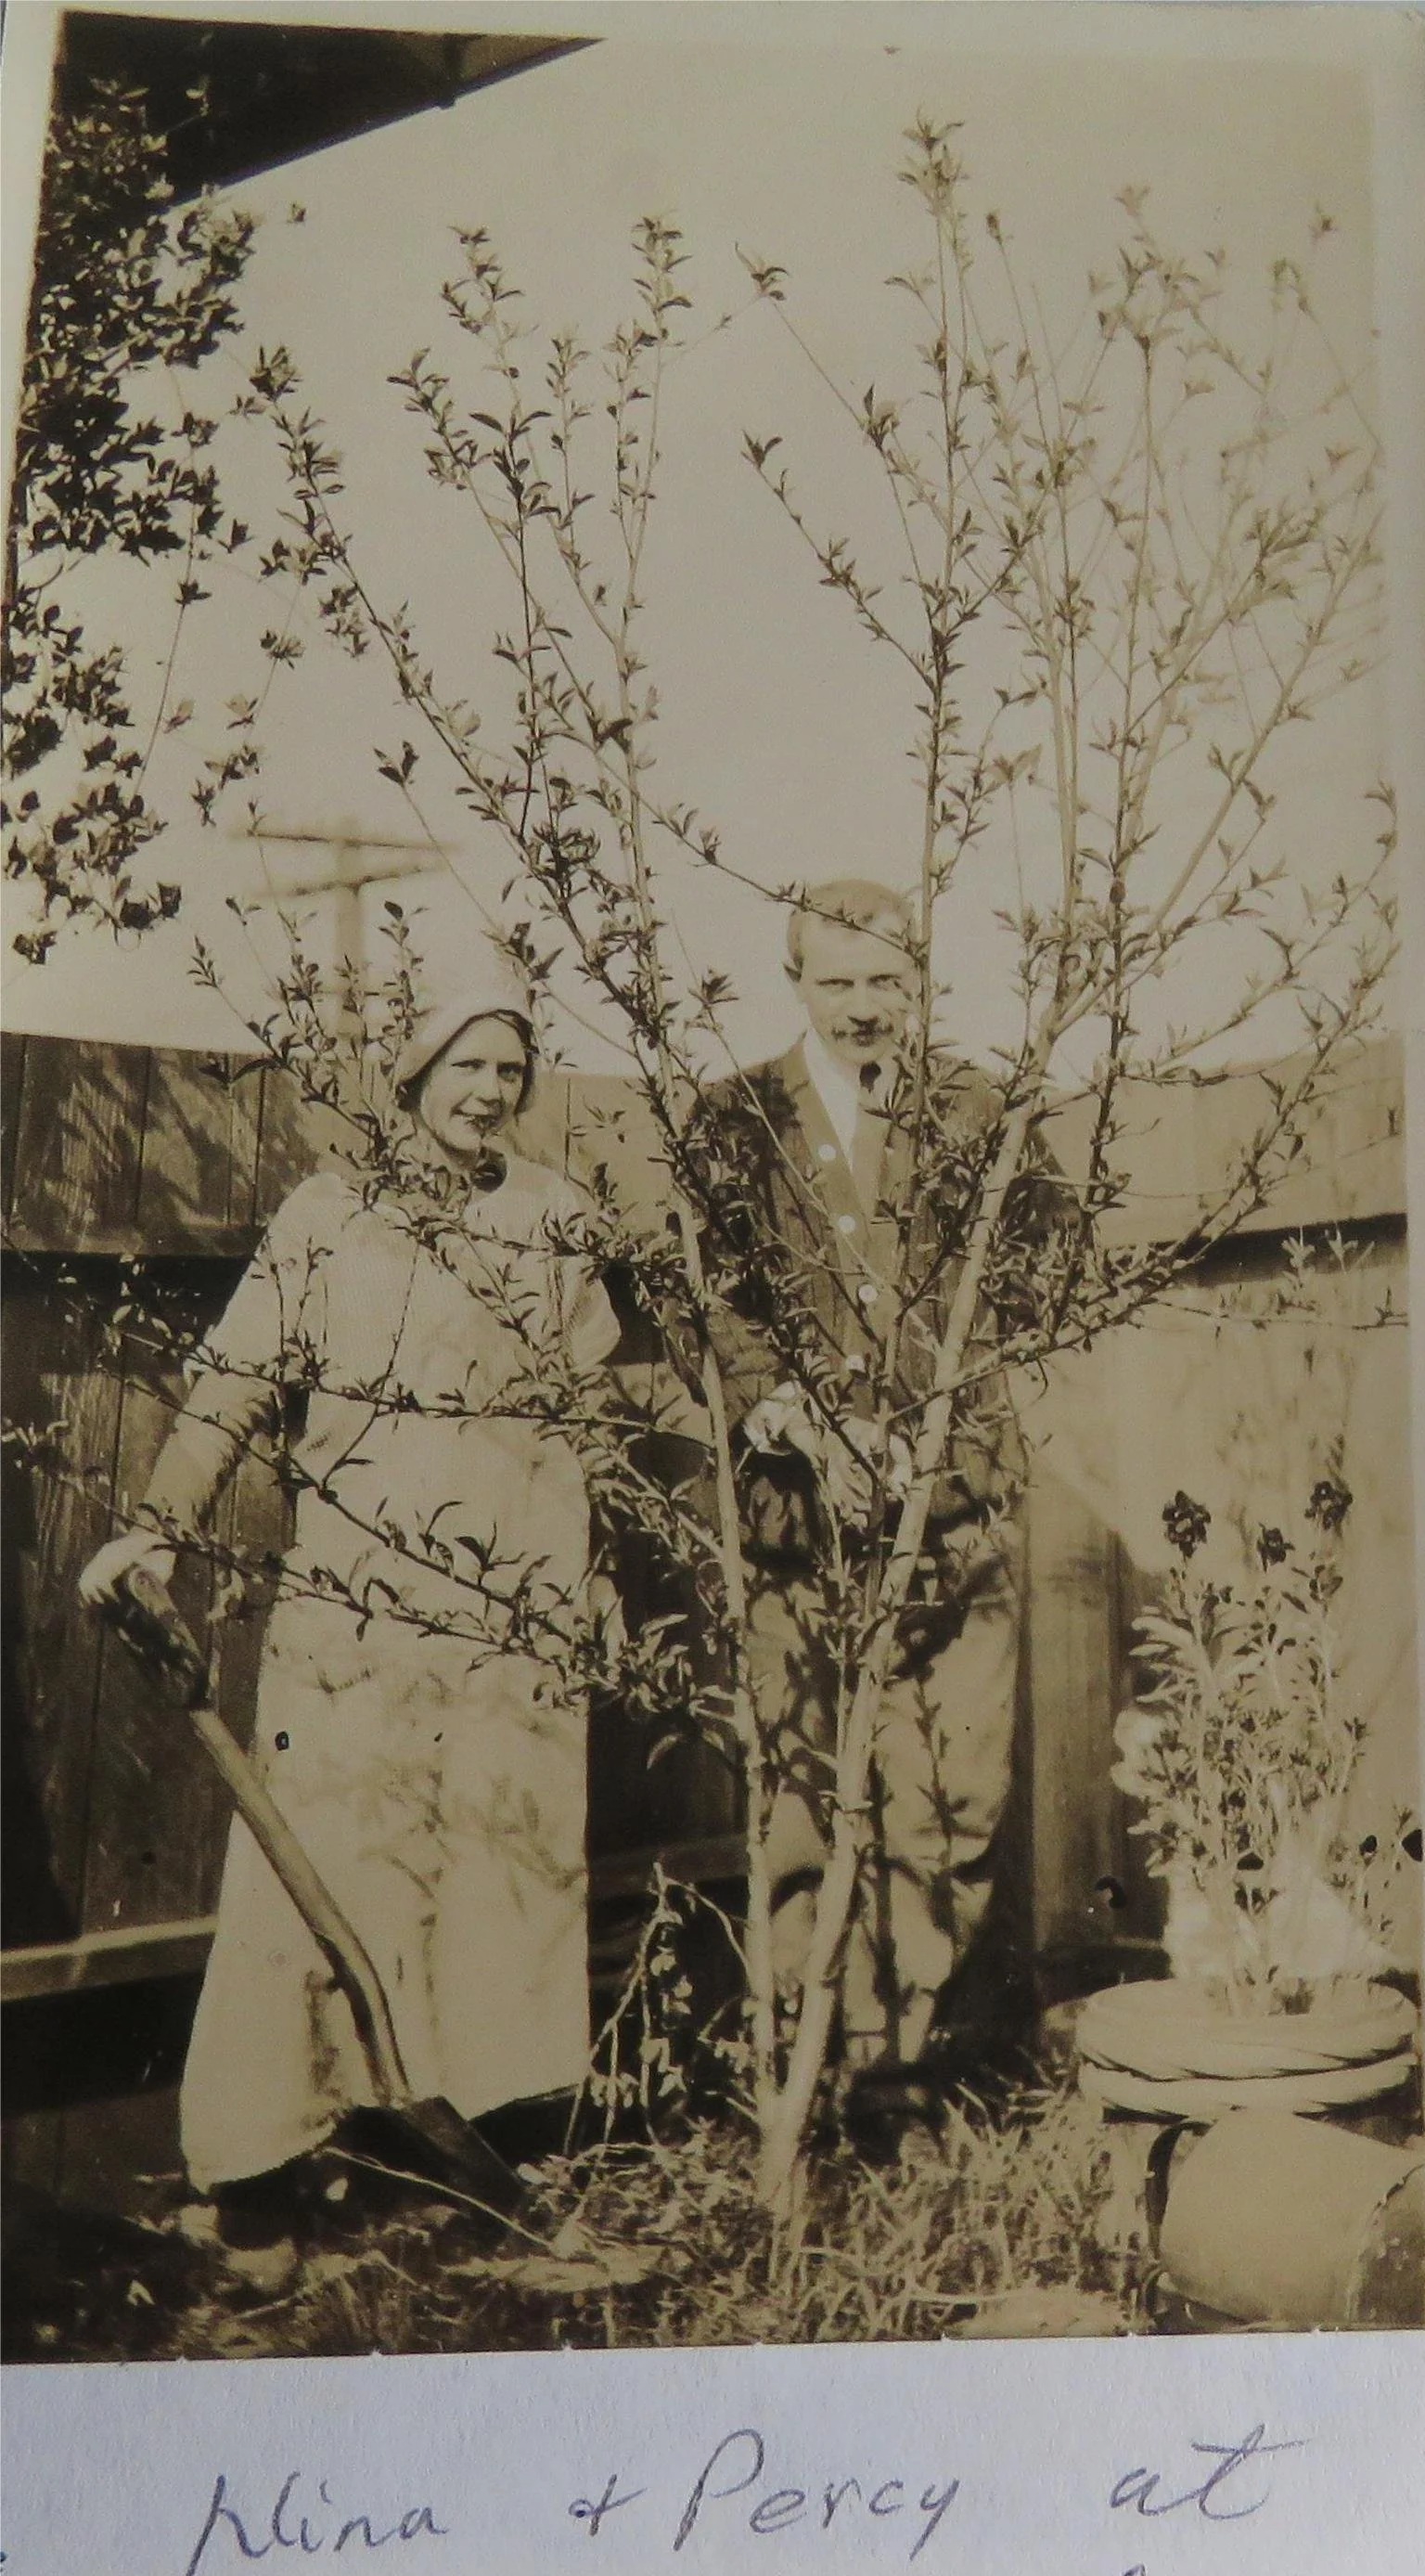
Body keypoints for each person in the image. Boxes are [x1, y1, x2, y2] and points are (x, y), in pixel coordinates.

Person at [81, 968, 621, 2278]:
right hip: (364, 1612)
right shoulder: (333, 1218)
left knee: (509, 1883)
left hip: (517, 1612)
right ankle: (258, 2177)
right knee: (309, 1878)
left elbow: (588, 1413)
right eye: (466, 1064)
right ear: (416, 1070)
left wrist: (594, 1569)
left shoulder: (557, 1220)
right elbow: (235, 1388)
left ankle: (493, 2169)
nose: (489, 1091)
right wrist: (157, 1521)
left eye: (511, 1069)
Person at [691, 879, 1057, 2144]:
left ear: (918, 984)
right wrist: (800, 1421)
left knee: (949, 1800)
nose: (863, 1007)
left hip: (955, 1518)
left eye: (885, 981)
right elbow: (719, 1304)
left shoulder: (978, 1112)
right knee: (806, 1803)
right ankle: (819, 2061)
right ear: (795, 981)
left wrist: (944, 1419)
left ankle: (907, 2064)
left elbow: (1040, 1272)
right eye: (838, 980)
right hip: (804, 1529)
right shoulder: (734, 1121)